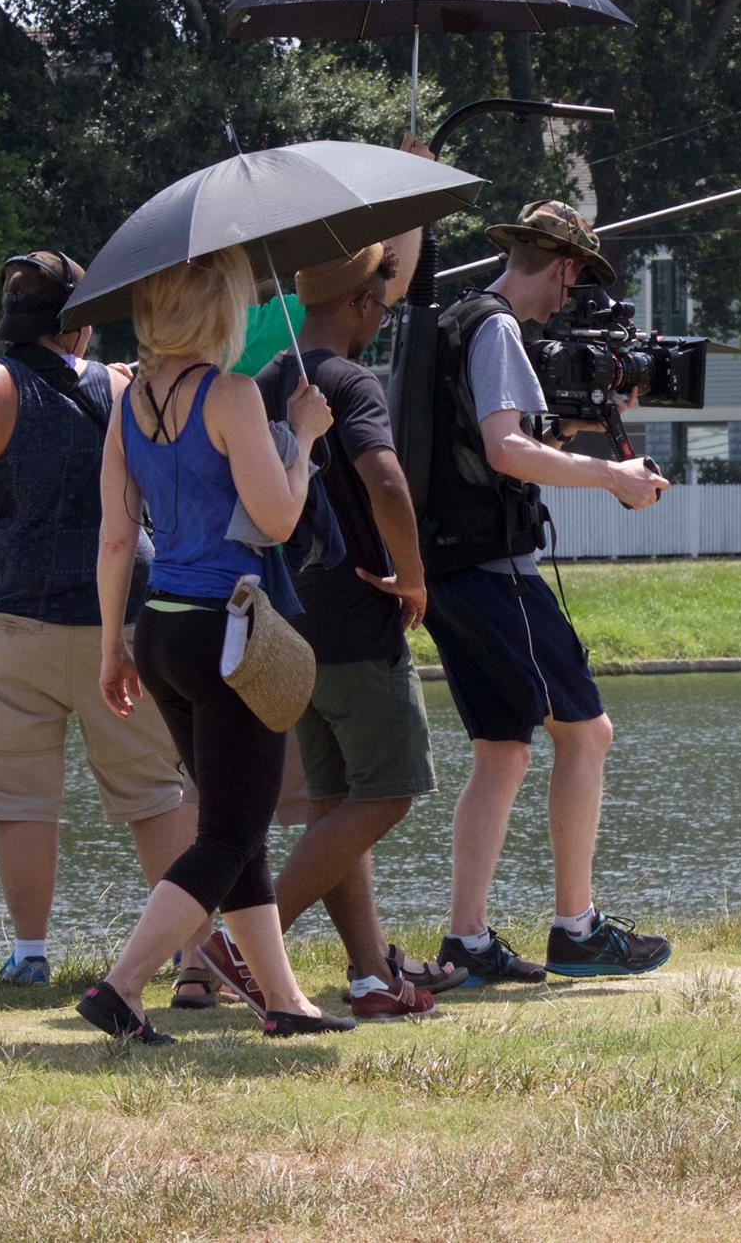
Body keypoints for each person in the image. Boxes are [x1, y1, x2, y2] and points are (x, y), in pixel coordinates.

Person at [76, 245, 354, 1043]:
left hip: (161, 630)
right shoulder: (230, 395)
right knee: (229, 831)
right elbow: (278, 519)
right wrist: (301, 435)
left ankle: (285, 998)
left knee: (239, 822)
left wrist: (111, 649)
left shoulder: (126, 405)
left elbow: (116, 537)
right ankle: (123, 985)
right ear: (219, 311)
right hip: (230, 629)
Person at [0, 250, 194, 985]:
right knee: (155, 791)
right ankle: (195, 951)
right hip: (125, 620)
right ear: (78, 322)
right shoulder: (129, 385)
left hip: (15, 622)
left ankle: (31, 955)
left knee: (20, 798)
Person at [419, 200, 673, 981]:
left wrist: (584, 426)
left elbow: (504, 438)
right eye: (577, 278)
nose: (574, 296)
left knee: (501, 752)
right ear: (563, 264)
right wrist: (613, 476)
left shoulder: (456, 323)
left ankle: (466, 940)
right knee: (586, 734)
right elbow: (503, 451)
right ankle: (577, 926)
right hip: (493, 570)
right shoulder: (496, 329)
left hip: (447, 569)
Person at [240, 238, 466, 1019]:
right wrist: (413, 576)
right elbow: (386, 480)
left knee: (338, 800)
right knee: (394, 790)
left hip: (291, 626)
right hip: (362, 622)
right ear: (359, 302)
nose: (382, 311)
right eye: (380, 297)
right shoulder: (351, 380)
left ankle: (369, 975)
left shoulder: (263, 385)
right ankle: (240, 942)